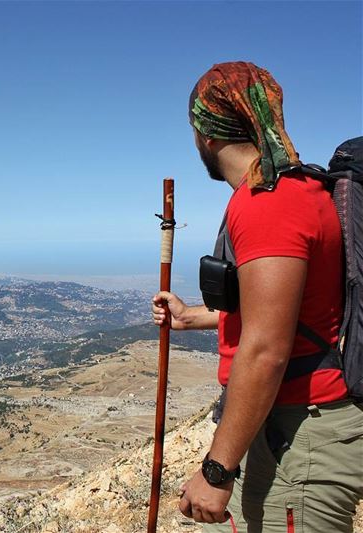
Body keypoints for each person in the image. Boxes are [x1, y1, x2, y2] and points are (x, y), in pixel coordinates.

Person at [151, 62, 363, 532]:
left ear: (204, 135)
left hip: (302, 438)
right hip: (289, 428)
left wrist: (216, 469)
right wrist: (188, 319)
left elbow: (266, 348)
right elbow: (285, 313)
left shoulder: (268, 202)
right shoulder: (298, 189)